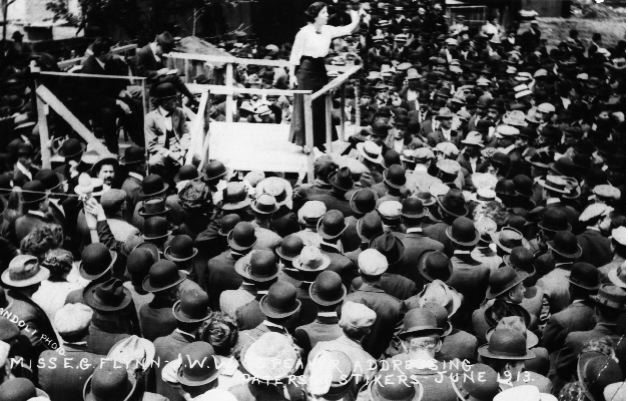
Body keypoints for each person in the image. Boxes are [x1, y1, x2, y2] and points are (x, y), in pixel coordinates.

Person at [289, 2, 360, 150]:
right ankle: (305, 142)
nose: (327, 15)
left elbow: (349, 29)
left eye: (326, 12)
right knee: (306, 104)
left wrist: (355, 16)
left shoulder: (328, 30)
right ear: (315, 16)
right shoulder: (304, 32)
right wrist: (291, 75)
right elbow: (295, 55)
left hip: (320, 69)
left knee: (320, 104)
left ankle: (319, 140)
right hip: (305, 69)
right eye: (323, 13)